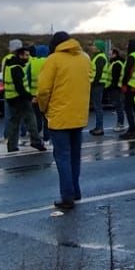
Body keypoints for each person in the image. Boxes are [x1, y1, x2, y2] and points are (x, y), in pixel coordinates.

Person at [37, 31, 91, 210]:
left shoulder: (53, 60)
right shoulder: (84, 59)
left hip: (59, 116)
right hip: (79, 115)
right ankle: (75, 190)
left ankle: (67, 196)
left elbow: (43, 90)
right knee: (75, 156)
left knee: (62, 157)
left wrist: (43, 108)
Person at [3, 40, 43, 152]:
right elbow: (19, 87)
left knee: (14, 122)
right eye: (26, 55)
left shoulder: (10, 65)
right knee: (31, 119)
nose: (27, 57)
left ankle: (12, 146)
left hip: (11, 98)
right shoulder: (16, 68)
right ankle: (36, 142)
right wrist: (30, 97)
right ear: (20, 55)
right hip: (20, 99)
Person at [87, 40, 110, 136]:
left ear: (99, 48)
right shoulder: (98, 57)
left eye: (94, 46)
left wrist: (93, 84)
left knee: (98, 107)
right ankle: (98, 127)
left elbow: (98, 74)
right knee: (97, 106)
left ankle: (100, 128)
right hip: (98, 84)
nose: (92, 47)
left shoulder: (100, 58)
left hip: (98, 85)